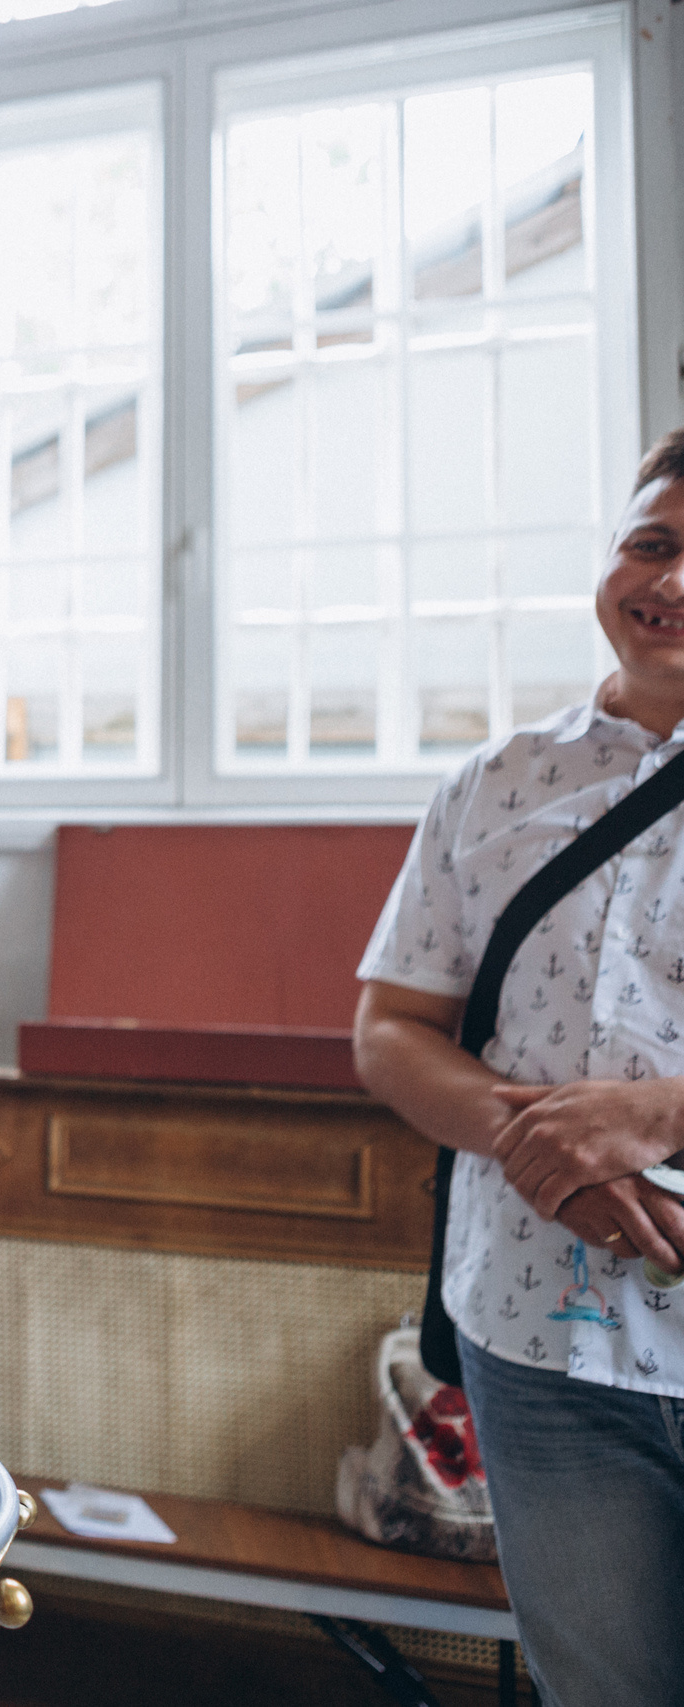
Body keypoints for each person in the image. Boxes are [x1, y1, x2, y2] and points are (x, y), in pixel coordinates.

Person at [354, 428, 684, 1707]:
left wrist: (652, 1116)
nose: (670, 581)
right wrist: (538, 1148)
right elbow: (390, 1028)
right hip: (538, 1347)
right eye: (651, 543)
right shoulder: (495, 783)